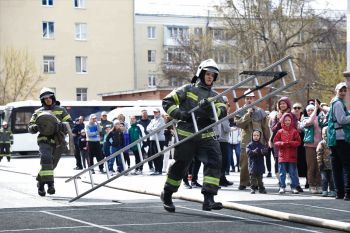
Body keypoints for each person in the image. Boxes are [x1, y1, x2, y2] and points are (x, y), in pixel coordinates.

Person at [161, 59, 227, 212]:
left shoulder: (216, 96)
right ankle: (168, 194)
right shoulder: (187, 89)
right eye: (207, 74)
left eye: (213, 75)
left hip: (207, 135)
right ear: (201, 74)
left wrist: (210, 109)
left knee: (214, 161)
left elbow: (221, 112)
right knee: (180, 166)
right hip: (186, 135)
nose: (210, 77)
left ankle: (209, 199)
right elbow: (167, 101)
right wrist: (179, 114)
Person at [28, 87, 73, 196]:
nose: (48, 100)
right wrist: (35, 127)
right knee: (46, 158)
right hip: (44, 139)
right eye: (45, 98)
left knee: (51, 165)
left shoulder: (61, 110)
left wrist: (61, 126)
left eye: (49, 97)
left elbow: (70, 124)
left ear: (53, 98)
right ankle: (50, 185)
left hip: (59, 141)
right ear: (42, 100)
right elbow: (30, 127)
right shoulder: (38, 112)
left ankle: (40, 182)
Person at [235, 89, 270, 190]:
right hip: (246, 140)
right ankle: (243, 182)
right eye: (247, 98)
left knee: (257, 162)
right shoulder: (240, 111)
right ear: (244, 99)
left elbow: (265, 127)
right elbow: (239, 123)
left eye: (251, 98)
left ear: (254, 99)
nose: (249, 100)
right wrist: (248, 114)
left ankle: (257, 183)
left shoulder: (260, 111)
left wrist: (267, 140)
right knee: (244, 162)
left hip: (259, 140)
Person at [327, 82, 350, 200]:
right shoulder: (338, 103)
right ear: (336, 91)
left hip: (334, 138)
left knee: (336, 167)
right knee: (346, 165)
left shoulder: (334, 103)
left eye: (345, 90)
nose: (343, 92)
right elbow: (341, 120)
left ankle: (339, 192)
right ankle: (347, 192)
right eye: (341, 90)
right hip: (341, 137)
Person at [273, 113, 301, 194]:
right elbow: (275, 141)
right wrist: (282, 143)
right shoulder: (280, 131)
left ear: (291, 121)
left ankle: (294, 187)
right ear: (283, 121)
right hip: (282, 155)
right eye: (286, 120)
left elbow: (298, 142)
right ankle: (282, 186)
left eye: (289, 120)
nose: (287, 122)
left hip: (292, 155)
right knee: (282, 173)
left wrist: (291, 143)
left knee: (293, 172)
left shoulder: (294, 131)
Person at [301, 103, 322, 194]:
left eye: (312, 109)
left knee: (319, 166)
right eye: (308, 110)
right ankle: (312, 185)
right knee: (311, 166)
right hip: (309, 146)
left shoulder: (320, 118)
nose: (310, 111)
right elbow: (309, 122)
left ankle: (319, 184)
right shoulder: (305, 119)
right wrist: (315, 110)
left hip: (320, 145)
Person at [217, 96, 233, 186]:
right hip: (222, 140)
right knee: (224, 161)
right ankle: (220, 179)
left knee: (224, 161)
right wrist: (232, 128)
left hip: (222, 140)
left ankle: (222, 178)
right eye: (227, 103)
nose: (227, 105)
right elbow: (226, 128)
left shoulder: (223, 114)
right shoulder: (223, 115)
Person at [247, 129, 269, 194]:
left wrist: (262, 151)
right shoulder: (249, 145)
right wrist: (254, 152)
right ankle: (252, 188)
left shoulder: (261, 145)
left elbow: (265, 151)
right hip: (252, 165)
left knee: (260, 178)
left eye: (257, 135)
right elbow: (248, 152)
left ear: (260, 136)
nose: (256, 137)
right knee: (252, 178)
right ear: (252, 136)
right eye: (254, 135)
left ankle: (261, 188)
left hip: (260, 164)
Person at [316, 126, 335, 197]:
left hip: (331, 165)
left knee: (332, 179)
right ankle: (324, 190)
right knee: (324, 179)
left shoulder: (333, 142)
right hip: (324, 165)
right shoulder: (322, 143)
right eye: (324, 134)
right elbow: (319, 154)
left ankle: (332, 190)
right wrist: (320, 163)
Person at [147, 108, 166, 175]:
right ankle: (156, 169)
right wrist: (153, 129)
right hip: (152, 139)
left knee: (159, 155)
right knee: (153, 155)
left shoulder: (161, 120)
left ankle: (159, 170)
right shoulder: (152, 120)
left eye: (156, 112)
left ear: (159, 112)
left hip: (159, 140)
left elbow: (157, 129)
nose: (155, 113)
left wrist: (152, 129)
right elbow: (147, 128)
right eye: (154, 112)